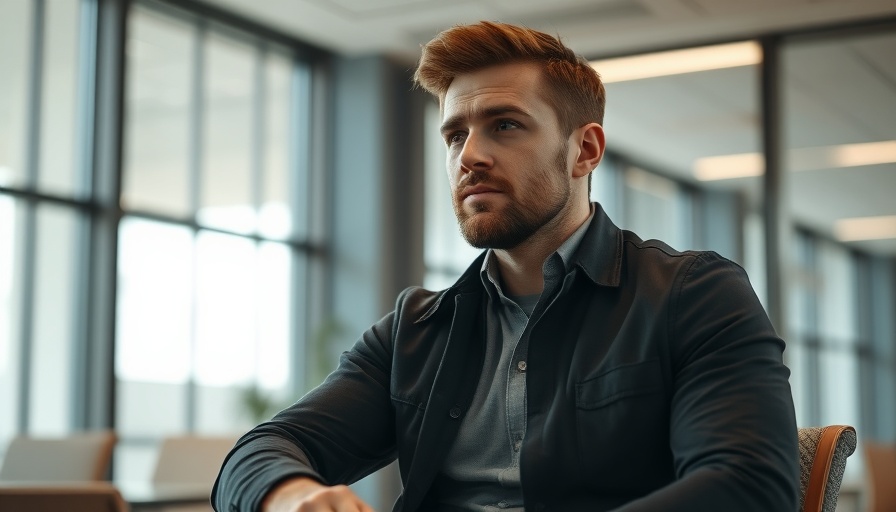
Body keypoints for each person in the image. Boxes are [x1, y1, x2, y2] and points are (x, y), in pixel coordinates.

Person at [212, 21, 799, 512]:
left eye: (505, 125)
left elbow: (749, 486)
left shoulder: (691, 294)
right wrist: (290, 496)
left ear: (584, 150)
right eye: (454, 136)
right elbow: (263, 448)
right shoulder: (418, 329)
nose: (469, 156)